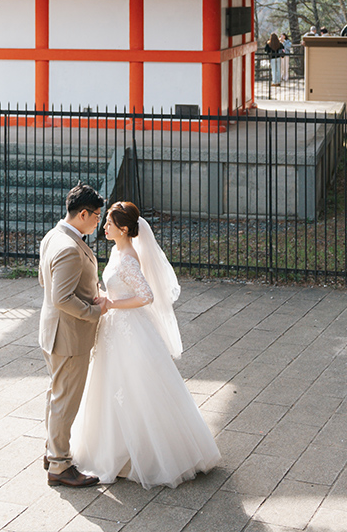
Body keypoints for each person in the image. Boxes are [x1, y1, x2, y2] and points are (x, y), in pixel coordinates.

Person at [71, 201, 221, 488]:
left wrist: (112, 303)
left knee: (136, 386)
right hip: (115, 328)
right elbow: (120, 286)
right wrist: (104, 295)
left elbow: (146, 296)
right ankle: (122, 449)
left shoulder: (128, 258)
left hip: (129, 330)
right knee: (114, 387)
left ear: (124, 229)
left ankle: (148, 454)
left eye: (110, 223)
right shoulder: (118, 250)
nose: (104, 226)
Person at [38, 183, 109, 488]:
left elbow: (45, 281)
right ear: (82, 213)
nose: (98, 222)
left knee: (58, 395)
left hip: (54, 332)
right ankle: (60, 466)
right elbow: (61, 298)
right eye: (96, 216)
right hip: (68, 336)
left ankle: (53, 452)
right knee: (66, 401)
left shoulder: (54, 235)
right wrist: (96, 312)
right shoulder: (68, 247)